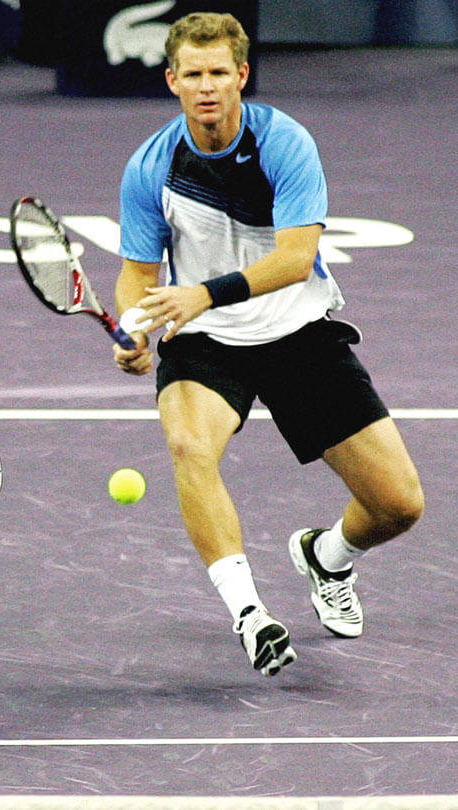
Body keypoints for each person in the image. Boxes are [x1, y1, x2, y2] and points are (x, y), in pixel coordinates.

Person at [111, 13, 423, 676]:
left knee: (398, 506)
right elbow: (138, 275)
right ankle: (251, 614)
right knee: (190, 446)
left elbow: (295, 258)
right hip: (206, 344)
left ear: (241, 76)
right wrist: (134, 328)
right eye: (192, 74)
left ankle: (327, 557)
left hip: (297, 330)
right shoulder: (150, 167)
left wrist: (199, 292)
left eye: (219, 73)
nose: (206, 87)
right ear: (172, 80)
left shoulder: (284, 143)